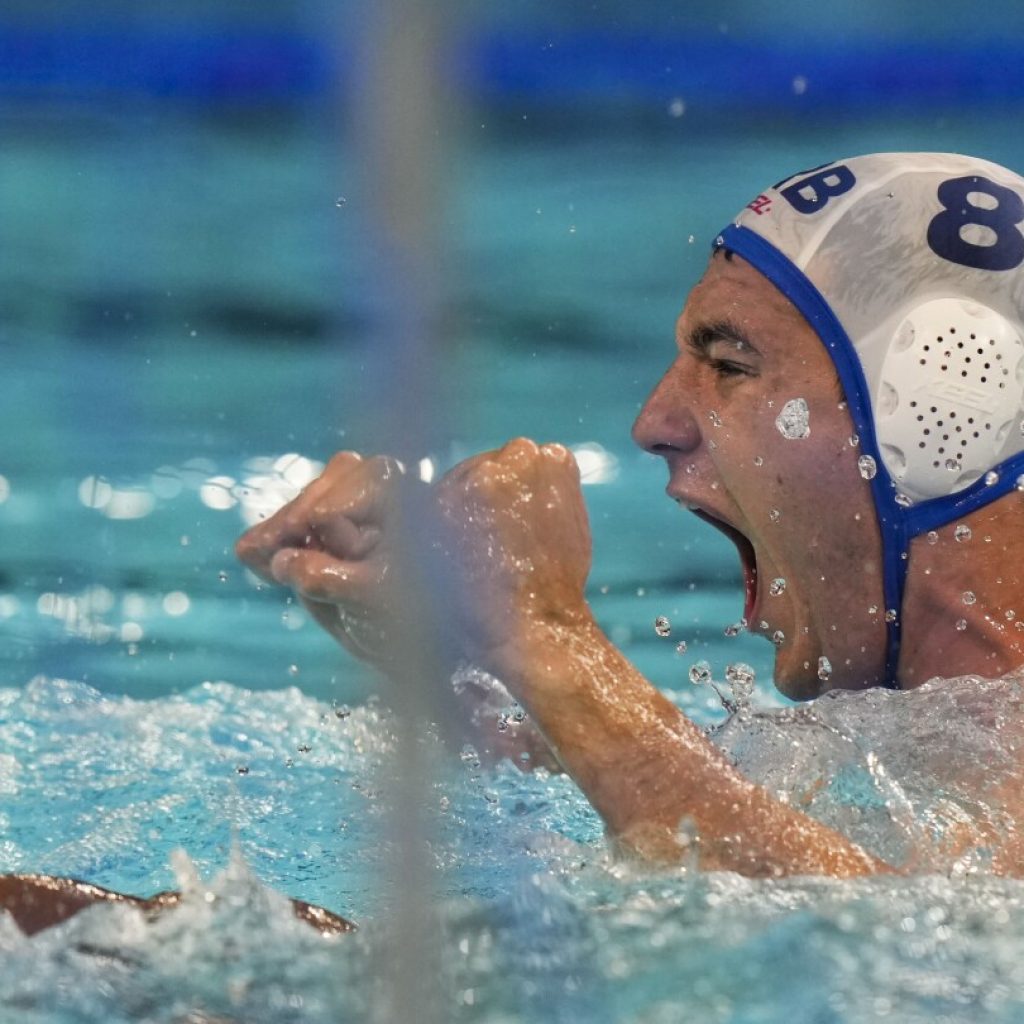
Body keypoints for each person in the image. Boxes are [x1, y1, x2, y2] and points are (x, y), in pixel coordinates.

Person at [235, 152, 1024, 879]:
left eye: (727, 362)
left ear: (942, 416)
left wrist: (545, 637)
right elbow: (712, 852)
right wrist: (459, 663)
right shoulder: (902, 747)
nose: (655, 422)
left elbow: (903, 957)